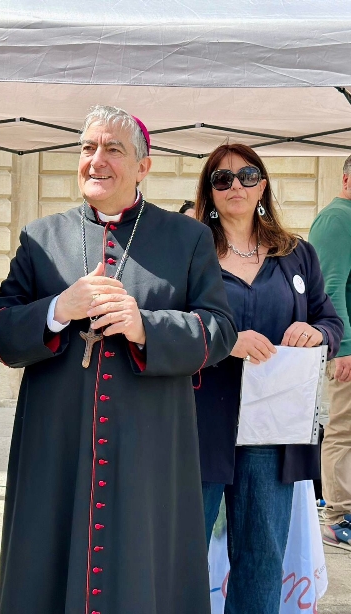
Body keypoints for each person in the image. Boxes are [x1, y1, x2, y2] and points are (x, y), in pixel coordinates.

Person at [0, 105, 237, 614]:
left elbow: (220, 330)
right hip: (58, 445)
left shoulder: (188, 238)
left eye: (112, 149)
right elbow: (0, 334)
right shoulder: (41, 237)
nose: (96, 160)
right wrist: (58, 310)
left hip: (150, 447)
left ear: (143, 166)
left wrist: (146, 326)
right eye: (87, 148)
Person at [194, 143, 343, 614]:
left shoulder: (297, 254)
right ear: (210, 191)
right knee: (183, 556)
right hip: (200, 426)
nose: (235, 185)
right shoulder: (191, 251)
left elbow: (331, 322)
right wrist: (225, 340)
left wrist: (315, 331)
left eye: (246, 174)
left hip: (272, 430)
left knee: (261, 559)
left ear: (263, 184)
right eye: (222, 179)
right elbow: (169, 323)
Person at [309, 155, 351, 549]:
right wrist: (344, 349)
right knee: (342, 428)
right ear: (346, 179)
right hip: (348, 352)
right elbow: (331, 289)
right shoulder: (338, 219)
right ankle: (338, 516)